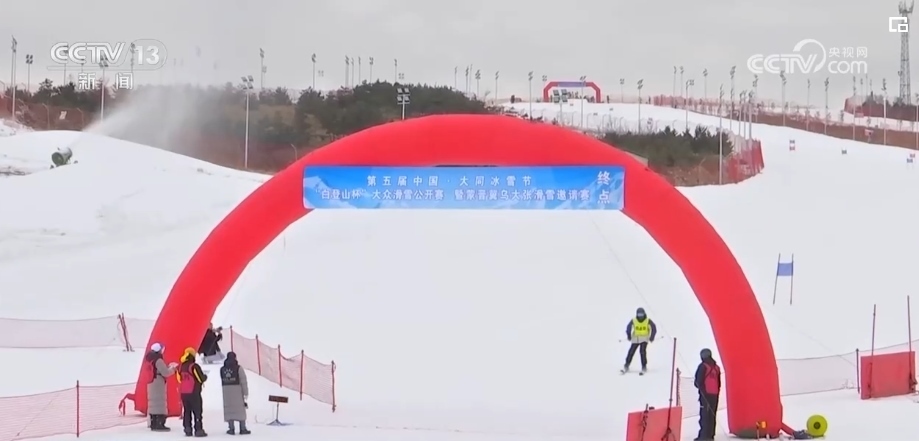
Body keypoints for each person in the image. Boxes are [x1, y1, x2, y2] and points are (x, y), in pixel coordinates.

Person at [145, 342, 178, 432]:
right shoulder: (158, 360)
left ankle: (153, 422)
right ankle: (160, 423)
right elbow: (165, 372)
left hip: (151, 381)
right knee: (160, 402)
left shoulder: (149, 359)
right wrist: (173, 369)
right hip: (158, 382)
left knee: (152, 402)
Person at [177, 347, 208, 437]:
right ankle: (198, 430)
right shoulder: (194, 366)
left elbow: (179, 379)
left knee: (187, 411)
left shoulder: (181, 366)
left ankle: (187, 429)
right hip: (194, 392)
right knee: (197, 411)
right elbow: (200, 378)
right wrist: (205, 376)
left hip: (183, 393)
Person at [693, 348, 722, 441]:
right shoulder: (716, 368)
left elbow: (697, 382)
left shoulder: (703, 366)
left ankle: (704, 436)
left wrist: (701, 389)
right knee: (712, 415)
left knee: (704, 415)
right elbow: (719, 383)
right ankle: (711, 435)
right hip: (715, 395)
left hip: (705, 395)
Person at [220, 352, 251, 435]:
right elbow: (243, 381)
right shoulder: (239, 368)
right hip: (237, 391)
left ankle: (231, 429)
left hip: (226, 392)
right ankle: (242, 428)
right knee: (240, 410)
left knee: (229, 410)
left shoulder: (222, 369)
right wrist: (245, 392)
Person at [622, 307, 657, 373]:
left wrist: (652, 337)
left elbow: (654, 328)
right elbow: (628, 328)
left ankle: (644, 366)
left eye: (641, 314)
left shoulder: (648, 320)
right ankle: (626, 365)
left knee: (642, 351)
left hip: (644, 338)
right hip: (636, 338)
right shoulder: (634, 320)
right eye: (639, 314)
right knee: (631, 351)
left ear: (644, 314)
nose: (640, 316)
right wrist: (629, 335)